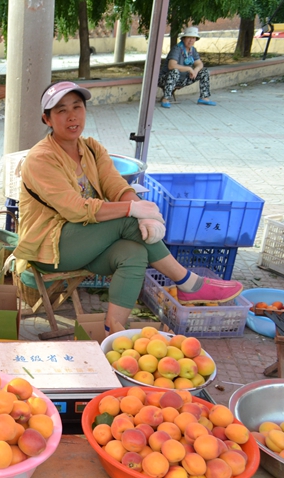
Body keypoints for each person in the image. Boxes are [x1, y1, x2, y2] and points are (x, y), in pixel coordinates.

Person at [13, 81, 242, 333]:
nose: (72, 116)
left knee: (134, 253)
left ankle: (114, 332)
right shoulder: (41, 158)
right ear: (47, 119)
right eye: (61, 111)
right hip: (51, 248)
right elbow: (76, 210)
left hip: (87, 240)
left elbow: (116, 187)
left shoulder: (91, 148)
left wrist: (144, 215)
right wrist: (134, 212)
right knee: (126, 219)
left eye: (77, 107)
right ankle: (188, 283)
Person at [158, 26, 215, 108]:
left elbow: (200, 64)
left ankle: (204, 97)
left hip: (183, 79)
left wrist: (195, 70)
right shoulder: (177, 49)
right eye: (189, 37)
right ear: (184, 38)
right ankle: (166, 99)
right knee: (175, 71)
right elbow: (171, 66)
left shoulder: (193, 50)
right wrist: (189, 69)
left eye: (193, 38)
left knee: (204, 71)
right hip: (166, 79)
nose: (191, 40)